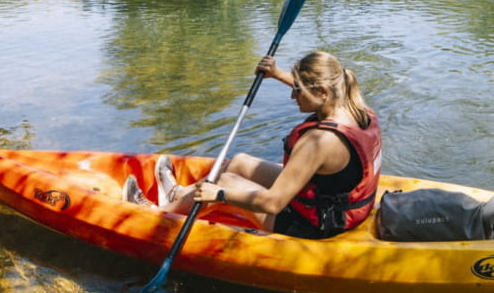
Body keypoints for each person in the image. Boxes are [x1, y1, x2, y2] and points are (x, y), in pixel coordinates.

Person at [158, 51, 382, 239]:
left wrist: (219, 194)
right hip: (332, 203)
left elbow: (273, 204)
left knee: (226, 180)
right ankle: (178, 196)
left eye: (298, 90)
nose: (293, 96)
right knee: (239, 162)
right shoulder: (358, 110)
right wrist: (276, 74)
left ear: (322, 91)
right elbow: (317, 94)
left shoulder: (320, 141)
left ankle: (155, 215)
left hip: (311, 225)